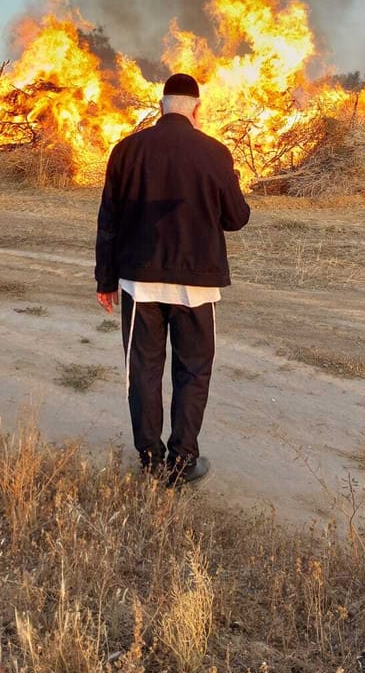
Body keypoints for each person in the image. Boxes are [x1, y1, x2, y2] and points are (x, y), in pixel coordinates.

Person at [95, 72, 250, 483]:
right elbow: (237, 218)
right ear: (197, 109)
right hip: (196, 286)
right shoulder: (215, 153)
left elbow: (108, 220)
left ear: (160, 105)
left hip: (138, 282)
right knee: (193, 371)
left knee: (143, 371)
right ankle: (183, 461)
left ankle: (149, 458)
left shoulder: (126, 150)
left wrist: (104, 279)